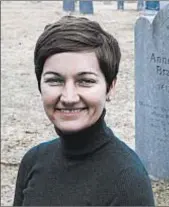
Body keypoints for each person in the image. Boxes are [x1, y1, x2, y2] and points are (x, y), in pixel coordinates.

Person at [13, 16, 155, 206]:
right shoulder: (33, 161)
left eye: (85, 81)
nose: (69, 97)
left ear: (110, 87)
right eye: (54, 80)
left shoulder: (128, 181)